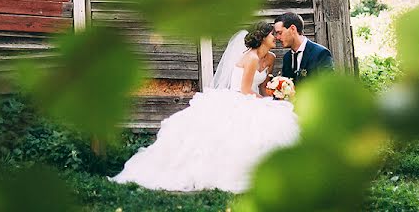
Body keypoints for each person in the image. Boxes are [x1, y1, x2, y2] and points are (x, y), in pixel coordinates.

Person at [111, 21, 299, 193]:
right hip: (239, 97)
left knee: (277, 120)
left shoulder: (272, 57)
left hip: (253, 97)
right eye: (272, 34)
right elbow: (244, 89)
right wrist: (264, 103)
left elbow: (263, 87)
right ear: (262, 37)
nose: (275, 37)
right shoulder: (250, 58)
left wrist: (275, 97)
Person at [273, 11, 333, 83]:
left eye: (280, 33)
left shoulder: (321, 54)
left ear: (293, 29)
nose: (277, 37)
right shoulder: (287, 57)